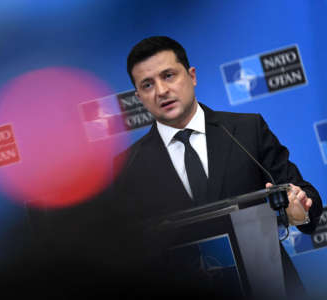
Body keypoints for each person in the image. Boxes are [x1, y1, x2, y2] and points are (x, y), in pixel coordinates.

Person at [113, 36, 323, 299]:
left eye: (168, 75)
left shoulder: (246, 130)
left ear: (192, 76)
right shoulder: (128, 167)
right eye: (147, 84)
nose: (161, 91)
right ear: (139, 97)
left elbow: (305, 194)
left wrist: (298, 209)